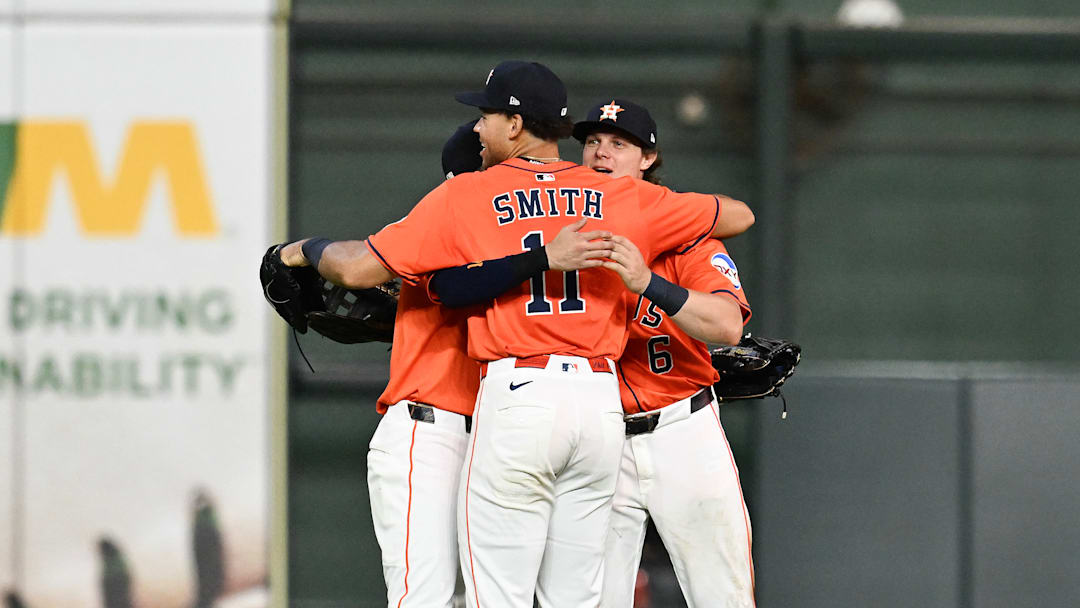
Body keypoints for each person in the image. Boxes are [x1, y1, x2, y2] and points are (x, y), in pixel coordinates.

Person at [274, 60, 741, 607]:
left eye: (486, 116)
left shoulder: (466, 202)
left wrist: (301, 248)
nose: (479, 128)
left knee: (488, 597)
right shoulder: (617, 197)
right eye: (598, 140)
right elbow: (737, 214)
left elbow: (361, 270)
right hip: (591, 406)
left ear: (514, 126)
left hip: (514, 402)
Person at [574, 99, 756, 607]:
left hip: (683, 427)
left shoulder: (683, 233)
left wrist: (648, 283)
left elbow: (727, 326)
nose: (601, 153)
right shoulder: (566, 234)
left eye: (618, 143)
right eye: (592, 142)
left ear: (648, 158)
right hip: (600, 437)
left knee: (723, 596)